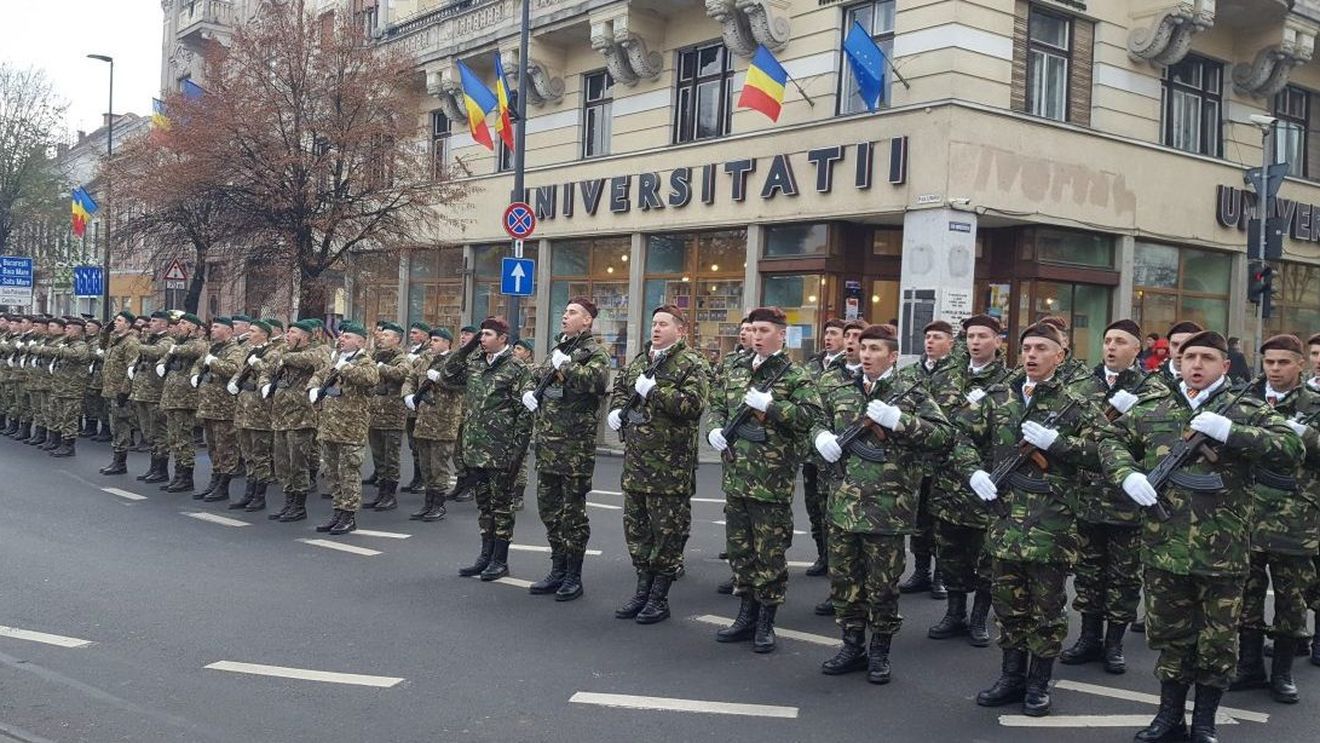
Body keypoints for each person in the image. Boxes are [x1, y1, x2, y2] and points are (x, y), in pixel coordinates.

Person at [1101, 330, 1302, 743]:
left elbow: (1290, 449)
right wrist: (1127, 474)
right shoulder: (1154, 407)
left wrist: (1233, 432)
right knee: (1172, 639)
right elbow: (1108, 439)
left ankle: (1205, 722)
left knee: (1217, 643)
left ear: (1224, 366)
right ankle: (1168, 716)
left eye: (1207, 358)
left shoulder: (1244, 409)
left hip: (1222, 553)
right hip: (1164, 548)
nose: (1195, 364)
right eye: (1189, 356)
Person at [955, 322, 1109, 717]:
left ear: (1060, 355)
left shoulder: (1077, 401)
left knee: (1047, 609)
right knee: (1008, 604)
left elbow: (1105, 451)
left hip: (1052, 525)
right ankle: (1011, 676)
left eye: (1042, 348)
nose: (1032, 355)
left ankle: (1039, 682)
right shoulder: (997, 396)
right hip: (1004, 520)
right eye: (1027, 348)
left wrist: (1058, 444)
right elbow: (960, 437)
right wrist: (973, 471)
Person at [812, 323, 954, 684]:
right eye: (864, 348)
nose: (867, 355)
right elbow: (813, 420)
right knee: (845, 581)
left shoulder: (911, 391)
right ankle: (851, 644)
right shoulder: (841, 388)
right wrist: (820, 437)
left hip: (887, 509)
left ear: (892, 356)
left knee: (882, 585)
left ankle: (880, 651)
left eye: (875, 350)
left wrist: (901, 421)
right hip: (843, 505)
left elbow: (943, 436)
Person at [707, 306, 822, 653]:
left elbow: (810, 417)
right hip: (737, 477)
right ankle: (745, 614)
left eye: (764, 330)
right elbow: (717, 402)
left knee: (769, 554)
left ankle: (766, 621)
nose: (756, 336)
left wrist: (772, 407)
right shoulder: (736, 368)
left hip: (771, 482)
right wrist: (714, 426)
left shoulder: (795, 375)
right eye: (753, 329)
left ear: (781, 335)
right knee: (741, 552)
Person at [1227, 334, 1319, 704]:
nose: (1275, 369)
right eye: (1269, 363)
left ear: (1300, 363)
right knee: (1245, 597)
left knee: (1291, 601)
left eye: (1283, 363)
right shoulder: (1245, 399)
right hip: (1247, 515)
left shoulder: (1314, 404)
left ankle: (1282, 673)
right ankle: (1249, 665)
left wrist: (1306, 435)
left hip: (1295, 519)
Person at [1058, 319, 1152, 675]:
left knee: (1124, 577)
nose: (1111, 347)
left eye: (1121, 342)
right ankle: (1088, 637)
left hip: (1127, 501)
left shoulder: (1151, 389)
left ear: (1136, 348)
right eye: (1107, 340)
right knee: (1089, 572)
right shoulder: (1082, 384)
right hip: (1087, 495)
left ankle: (1114, 643)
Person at [607, 305, 709, 624]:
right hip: (636, 464)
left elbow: (692, 406)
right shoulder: (641, 360)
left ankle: (659, 597)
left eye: (663, 324)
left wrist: (657, 391)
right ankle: (642, 589)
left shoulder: (691, 363)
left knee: (666, 533)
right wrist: (617, 409)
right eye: (653, 323)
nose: (656, 329)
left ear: (680, 330)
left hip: (669, 468)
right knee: (637, 531)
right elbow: (622, 388)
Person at [520, 298, 610, 601]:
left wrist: (568, 367)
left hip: (574, 449)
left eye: (572, 313)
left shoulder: (594, 352)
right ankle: (557, 567)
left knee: (573, 514)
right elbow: (537, 375)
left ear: (587, 321)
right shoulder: (560, 348)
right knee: (549, 510)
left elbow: (598, 382)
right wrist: (528, 393)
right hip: (548, 445)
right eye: (565, 311)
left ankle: (573, 574)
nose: (565, 316)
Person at [928, 314, 1010, 648]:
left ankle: (979, 617)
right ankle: (955, 612)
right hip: (948, 478)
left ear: (998, 341)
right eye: (971, 336)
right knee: (949, 551)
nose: (975, 342)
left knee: (984, 555)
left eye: (983, 336)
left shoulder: (1008, 380)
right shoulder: (948, 375)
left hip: (985, 481)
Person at [443, 316, 532, 581]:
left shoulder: (516, 368)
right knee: (484, 506)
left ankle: (500, 559)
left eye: (487, 335)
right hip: (475, 449)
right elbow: (448, 375)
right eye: (480, 334)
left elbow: (524, 413)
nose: (482, 338)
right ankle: (485, 555)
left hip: (501, 450)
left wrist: (518, 452)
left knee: (501, 507)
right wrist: (467, 347)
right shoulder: (475, 363)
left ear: (503, 338)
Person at [896, 319, 960, 600]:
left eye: (937, 337)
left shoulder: (959, 374)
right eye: (928, 337)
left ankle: (940, 575)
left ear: (951, 342)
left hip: (946, 459)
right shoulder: (909, 374)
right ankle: (921, 570)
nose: (930, 342)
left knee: (942, 522)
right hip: (916, 458)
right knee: (918, 519)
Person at [308, 322, 380, 535]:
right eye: (341, 336)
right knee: (332, 473)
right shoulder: (335, 360)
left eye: (347, 337)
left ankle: (349, 516)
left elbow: (370, 379)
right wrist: (312, 388)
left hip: (351, 430)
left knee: (348, 473)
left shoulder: (365, 361)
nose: (341, 339)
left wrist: (344, 367)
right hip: (329, 427)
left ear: (360, 341)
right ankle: (337, 511)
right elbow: (318, 375)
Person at [265, 320, 329, 522]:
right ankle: (288, 502)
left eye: (292, 333)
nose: (287, 335)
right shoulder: (283, 351)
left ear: (304, 337)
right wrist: (265, 384)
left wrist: (285, 357)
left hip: (301, 417)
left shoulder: (318, 350)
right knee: (282, 463)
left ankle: (299, 506)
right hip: (281, 416)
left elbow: (312, 360)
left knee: (297, 463)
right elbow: (268, 365)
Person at [801, 319, 848, 577]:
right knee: (814, 506)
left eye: (834, 333)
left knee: (831, 507)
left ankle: (836, 559)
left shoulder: (847, 368)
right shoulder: (813, 365)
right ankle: (822, 554)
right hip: (811, 449)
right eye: (826, 333)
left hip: (834, 453)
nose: (828, 338)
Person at [402, 326, 462, 522]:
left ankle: (438, 505)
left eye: (437, 340)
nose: (432, 344)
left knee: (439, 466)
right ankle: (428, 503)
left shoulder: (456, 362)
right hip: (423, 420)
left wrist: (441, 379)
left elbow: (462, 385)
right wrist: (408, 394)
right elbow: (410, 377)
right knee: (426, 464)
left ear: (447, 343)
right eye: (432, 340)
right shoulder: (425, 359)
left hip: (444, 422)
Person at [191, 318, 246, 504]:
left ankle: (223, 485)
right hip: (208, 405)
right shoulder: (212, 347)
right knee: (213, 447)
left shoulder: (234, 350)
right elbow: (198, 364)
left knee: (226, 448)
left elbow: (233, 370)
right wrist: (194, 375)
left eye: (216, 327)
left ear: (228, 331)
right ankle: (214, 480)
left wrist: (213, 362)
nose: (212, 330)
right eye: (212, 327)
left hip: (224, 408)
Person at [227, 320, 280, 512]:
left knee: (260, 456)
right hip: (244, 409)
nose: (249, 334)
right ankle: (248, 493)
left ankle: (260, 496)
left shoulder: (273, 353)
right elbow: (239, 372)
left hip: (260, 412)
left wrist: (257, 364)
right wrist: (233, 383)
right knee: (248, 454)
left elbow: (270, 373)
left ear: (264, 335)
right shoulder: (248, 351)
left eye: (253, 331)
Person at [362, 322, 410, 511]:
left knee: (391, 458)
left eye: (387, 336)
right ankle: (381, 493)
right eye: (382, 336)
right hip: (375, 415)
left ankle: (390, 495)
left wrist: (381, 368)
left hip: (392, 416)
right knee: (378, 457)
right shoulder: (375, 355)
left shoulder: (400, 357)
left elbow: (402, 373)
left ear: (397, 340)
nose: (382, 338)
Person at [158, 314, 207, 492]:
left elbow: (195, 350)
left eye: (184, 323)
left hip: (185, 399)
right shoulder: (178, 343)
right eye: (179, 322)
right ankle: (178, 474)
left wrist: (173, 349)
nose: (179, 325)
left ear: (193, 327)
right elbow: (166, 357)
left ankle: (186, 477)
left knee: (184, 439)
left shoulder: (198, 342)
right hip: (172, 398)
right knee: (174, 438)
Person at [130, 311, 176, 483]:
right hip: (143, 392)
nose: (150, 324)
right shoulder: (148, 340)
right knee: (149, 432)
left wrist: (137, 344)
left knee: (159, 432)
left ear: (164, 324)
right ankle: (153, 466)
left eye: (155, 321)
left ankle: (161, 469)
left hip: (155, 394)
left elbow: (156, 353)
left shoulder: (167, 341)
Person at [97, 311, 140, 475]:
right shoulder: (115, 340)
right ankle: (116, 460)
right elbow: (102, 345)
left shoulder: (130, 343)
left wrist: (125, 390)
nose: (115, 322)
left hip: (120, 392)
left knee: (121, 426)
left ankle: (120, 462)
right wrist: (105, 331)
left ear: (128, 324)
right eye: (115, 320)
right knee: (115, 425)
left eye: (119, 320)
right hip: (110, 390)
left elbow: (132, 368)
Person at [48, 317, 91, 457]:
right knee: (59, 416)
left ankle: (69, 446)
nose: (66, 330)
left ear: (77, 331)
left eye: (69, 328)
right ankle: (59, 442)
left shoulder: (80, 345)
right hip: (60, 387)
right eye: (65, 328)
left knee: (69, 418)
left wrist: (60, 349)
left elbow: (76, 355)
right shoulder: (66, 344)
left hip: (72, 389)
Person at [401, 321, 430, 494]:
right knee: (413, 445)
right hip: (410, 405)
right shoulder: (409, 351)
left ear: (425, 335)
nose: (411, 336)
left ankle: (423, 479)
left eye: (415, 333)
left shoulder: (427, 353)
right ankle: (417, 477)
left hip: (423, 406)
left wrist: (416, 359)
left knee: (422, 445)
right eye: (411, 333)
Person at [1155, 321, 1204, 392]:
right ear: (1168, 345)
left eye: (1186, 345)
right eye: (1175, 344)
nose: (1179, 350)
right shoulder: (1152, 381)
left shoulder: (1211, 380)